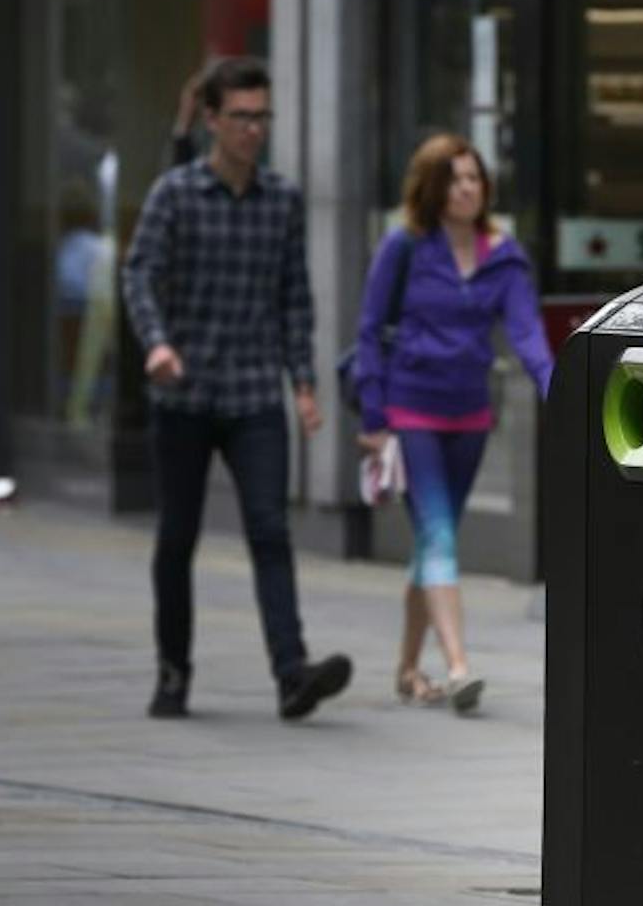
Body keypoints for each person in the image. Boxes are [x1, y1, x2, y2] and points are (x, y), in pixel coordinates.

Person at [121, 57, 353, 721]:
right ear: (214, 120)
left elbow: (294, 298)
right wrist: (158, 343)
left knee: (270, 529)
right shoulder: (175, 194)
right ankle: (173, 671)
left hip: (255, 394)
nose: (255, 129)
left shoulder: (282, 200)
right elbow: (138, 275)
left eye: (263, 117)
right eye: (243, 117)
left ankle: (291, 674)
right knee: (177, 537)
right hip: (185, 395)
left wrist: (303, 382)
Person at [354, 133, 556, 713]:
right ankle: (460, 666)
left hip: (469, 415)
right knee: (440, 534)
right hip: (410, 410)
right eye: (456, 178)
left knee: (429, 542)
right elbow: (369, 331)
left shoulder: (504, 256)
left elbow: (527, 338)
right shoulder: (405, 248)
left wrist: (559, 392)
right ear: (433, 187)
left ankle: (407, 667)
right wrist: (373, 413)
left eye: (475, 178)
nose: (468, 188)